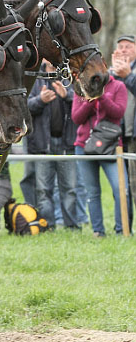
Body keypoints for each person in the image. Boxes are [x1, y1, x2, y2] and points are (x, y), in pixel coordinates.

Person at [72, 72, 128, 236]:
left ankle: (121, 230)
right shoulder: (80, 88)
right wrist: (90, 101)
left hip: (111, 146)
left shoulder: (118, 86)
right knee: (92, 191)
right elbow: (76, 118)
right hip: (84, 145)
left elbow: (118, 112)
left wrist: (101, 97)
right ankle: (98, 231)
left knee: (120, 188)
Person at [30, 60, 80, 230]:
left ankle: (71, 226)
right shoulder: (34, 77)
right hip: (43, 144)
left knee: (70, 188)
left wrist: (68, 96)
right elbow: (25, 106)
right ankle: (48, 226)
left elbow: (84, 102)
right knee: (43, 189)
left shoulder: (69, 76)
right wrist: (40, 100)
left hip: (67, 142)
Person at [111, 34, 136, 218]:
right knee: (122, 185)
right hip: (117, 135)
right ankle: (125, 228)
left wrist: (129, 76)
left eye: (128, 46)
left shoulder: (129, 73)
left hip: (134, 136)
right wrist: (111, 75)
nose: (124, 50)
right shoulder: (112, 73)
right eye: (121, 47)